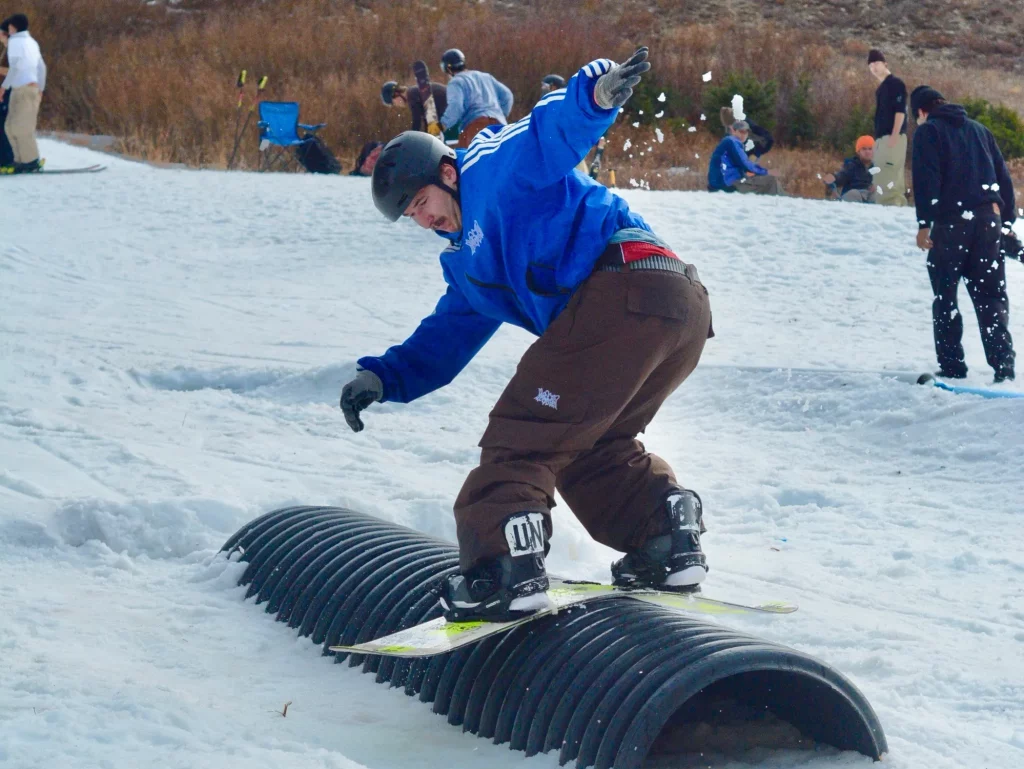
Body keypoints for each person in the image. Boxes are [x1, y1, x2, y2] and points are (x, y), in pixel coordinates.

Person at [343, 48, 714, 623]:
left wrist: (593, 96)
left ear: (445, 172)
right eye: (412, 218)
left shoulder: (489, 167)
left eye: (422, 204)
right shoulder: (468, 264)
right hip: (677, 312)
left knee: (522, 439)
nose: (425, 221)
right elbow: (447, 335)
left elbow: (546, 133)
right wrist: (384, 376)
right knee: (587, 448)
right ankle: (665, 533)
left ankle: (502, 569)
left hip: (625, 290)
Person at [911, 85, 1016, 383]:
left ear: (921, 110)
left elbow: (926, 177)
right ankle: (1003, 367)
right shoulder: (980, 130)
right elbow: (1002, 176)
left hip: (951, 224)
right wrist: (1006, 220)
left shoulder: (929, 132)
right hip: (988, 222)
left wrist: (923, 223)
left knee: (946, 295)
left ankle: (953, 366)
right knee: (990, 297)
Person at [438, 48, 513, 148]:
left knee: (470, 161)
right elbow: (507, 96)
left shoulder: (456, 82)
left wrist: (442, 125)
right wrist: (501, 114)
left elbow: (456, 106)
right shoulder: (485, 76)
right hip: (500, 125)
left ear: (448, 68)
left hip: (476, 127)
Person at [0, 13, 45, 174]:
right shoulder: (25, 43)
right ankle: (19, 160)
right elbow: (41, 67)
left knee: (22, 127)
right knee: (10, 127)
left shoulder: (18, 44)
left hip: (25, 88)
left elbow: (17, 68)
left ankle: (31, 160)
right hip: (19, 89)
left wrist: (3, 87)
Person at [867, 49, 907, 206]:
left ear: (885, 64)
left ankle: (892, 209)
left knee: (889, 174)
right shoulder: (881, 89)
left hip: (892, 136)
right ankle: (890, 208)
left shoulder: (895, 84)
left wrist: (894, 135)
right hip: (882, 138)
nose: (874, 68)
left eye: (876, 63)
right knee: (881, 175)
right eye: (870, 65)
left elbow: (900, 111)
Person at [707, 120, 783, 195]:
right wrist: (767, 171)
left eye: (746, 132)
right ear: (734, 131)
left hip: (724, 182)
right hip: (727, 184)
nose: (744, 135)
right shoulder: (732, 141)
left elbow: (741, 167)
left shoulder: (728, 142)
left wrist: (752, 173)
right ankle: (782, 204)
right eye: (741, 131)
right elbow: (745, 164)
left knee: (761, 180)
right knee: (771, 180)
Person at [380, 79, 448, 135]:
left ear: (396, 94)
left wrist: (412, 138)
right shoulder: (414, 92)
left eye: (393, 103)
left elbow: (417, 121)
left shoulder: (412, 95)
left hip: (449, 107)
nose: (396, 105)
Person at [823, 136, 878, 203]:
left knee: (878, 194)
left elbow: (888, 182)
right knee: (854, 194)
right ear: (858, 152)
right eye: (864, 149)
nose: (867, 152)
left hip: (870, 197)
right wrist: (834, 177)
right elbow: (842, 175)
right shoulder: (851, 165)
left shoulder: (878, 167)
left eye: (870, 149)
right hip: (853, 196)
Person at [0, 24, 14, 170]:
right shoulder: (6, 49)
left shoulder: (12, 50)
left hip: (8, 90)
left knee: (2, 125)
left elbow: (13, 71)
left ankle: (7, 160)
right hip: (4, 90)